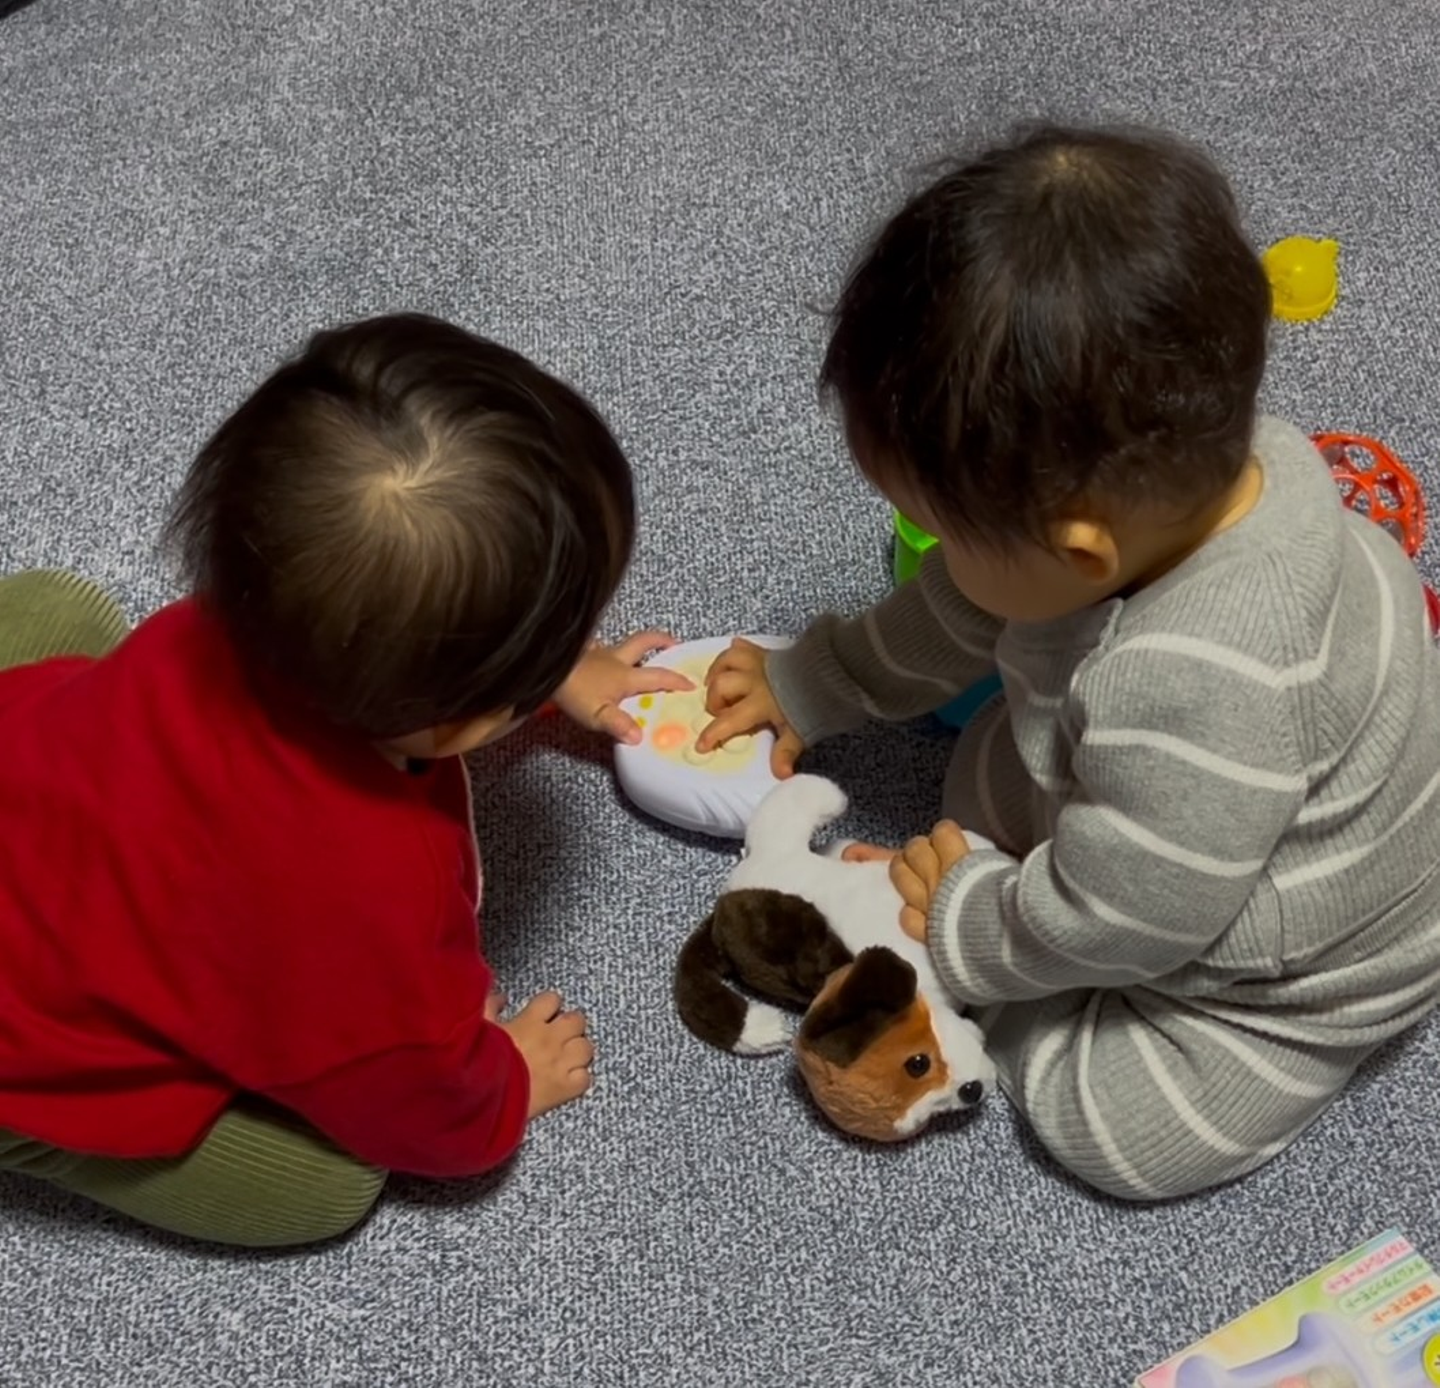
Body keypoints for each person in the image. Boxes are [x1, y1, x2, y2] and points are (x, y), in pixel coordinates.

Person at [699, 125, 1440, 1201]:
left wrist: (964, 933)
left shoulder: (1202, 683)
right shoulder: (1207, 470)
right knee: (987, 764)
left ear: (1081, 552)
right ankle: (1027, 907)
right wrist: (817, 679)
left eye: (945, 535)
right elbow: (963, 604)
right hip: (1189, 821)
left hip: (1288, 959)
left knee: (1122, 1133)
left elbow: (1133, 916)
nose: (937, 557)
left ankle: (1034, 973)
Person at [0, 313, 688, 1245]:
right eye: (557, 636)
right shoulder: (373, 894)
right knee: (328, 1187)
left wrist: (545, 670)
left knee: (56, 607)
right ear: (463, 717)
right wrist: (506, 1084)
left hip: (46, 824)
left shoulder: (243, 613)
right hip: (25, 1053)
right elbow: (415, 1096)